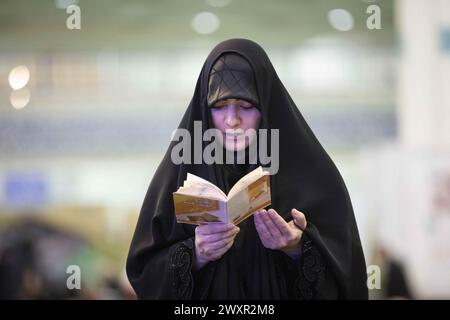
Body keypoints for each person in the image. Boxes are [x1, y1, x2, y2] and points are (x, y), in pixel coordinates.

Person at [126, 38, 368, 299]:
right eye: (218, 107)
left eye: (246, 106)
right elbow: (144, 273)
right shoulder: (179, 173)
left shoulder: (314, 176)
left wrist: (297, 247)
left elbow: (347, 274)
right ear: (205, 110)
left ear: (266, 107)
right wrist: (195, 254)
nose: (232, 120)